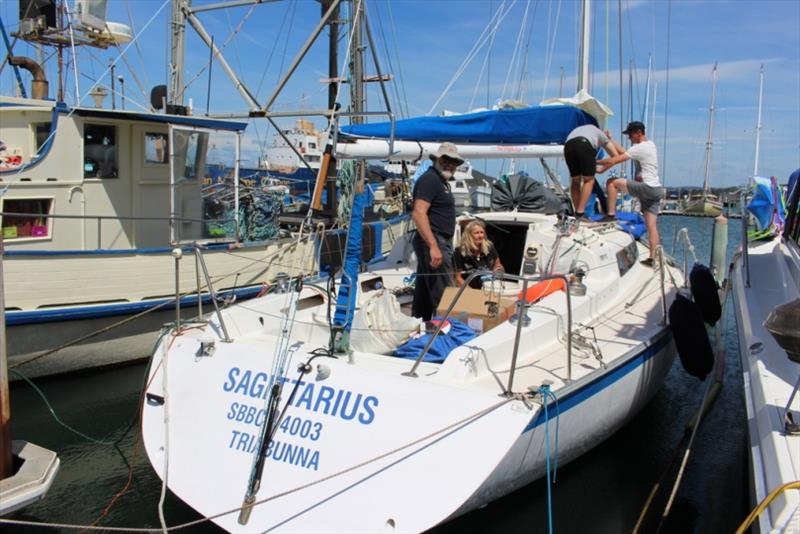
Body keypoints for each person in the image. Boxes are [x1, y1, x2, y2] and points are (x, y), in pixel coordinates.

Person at [596, 121, 664, 266]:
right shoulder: (650, 145)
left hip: (646, 187)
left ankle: (610, 215)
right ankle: (652, 258)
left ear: (638, 133)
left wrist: (595, 162)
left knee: (611, 183)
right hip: (656, 190)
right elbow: (623, 151)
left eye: (630, 135)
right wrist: (610, 140)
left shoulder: (640, 148)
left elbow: (616, 159)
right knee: (651, 226)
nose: (629, 138)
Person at [411, 142, 460, 320]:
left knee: (426, 288)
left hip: (437, 240)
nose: (450, 164)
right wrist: (433, 246)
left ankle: (422, 323)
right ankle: (445, 329)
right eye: (446, 160)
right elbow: (418, 213)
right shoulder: (431, 180)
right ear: (437, 159)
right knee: (443, 291)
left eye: (454, 162)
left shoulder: (441, 181)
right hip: (434, 240)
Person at [564, 124, 621, 220]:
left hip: (568, 146)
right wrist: (603, 169)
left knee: (575, 180)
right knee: (589, 180)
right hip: (583, 144)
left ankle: (576, 212)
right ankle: (580, 214)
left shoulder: (582, 129)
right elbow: (615, 157)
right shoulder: (602, 135)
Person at [454, 220, 504, 289]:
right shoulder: (459, 251)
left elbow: (498, 265)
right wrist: (472, 293)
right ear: (469, 235)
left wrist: (498, 271)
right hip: (468, 290)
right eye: (476, 233)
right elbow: (457, 278)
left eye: (482, 232)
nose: (480, 236)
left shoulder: (489, 247)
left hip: (488, 289)